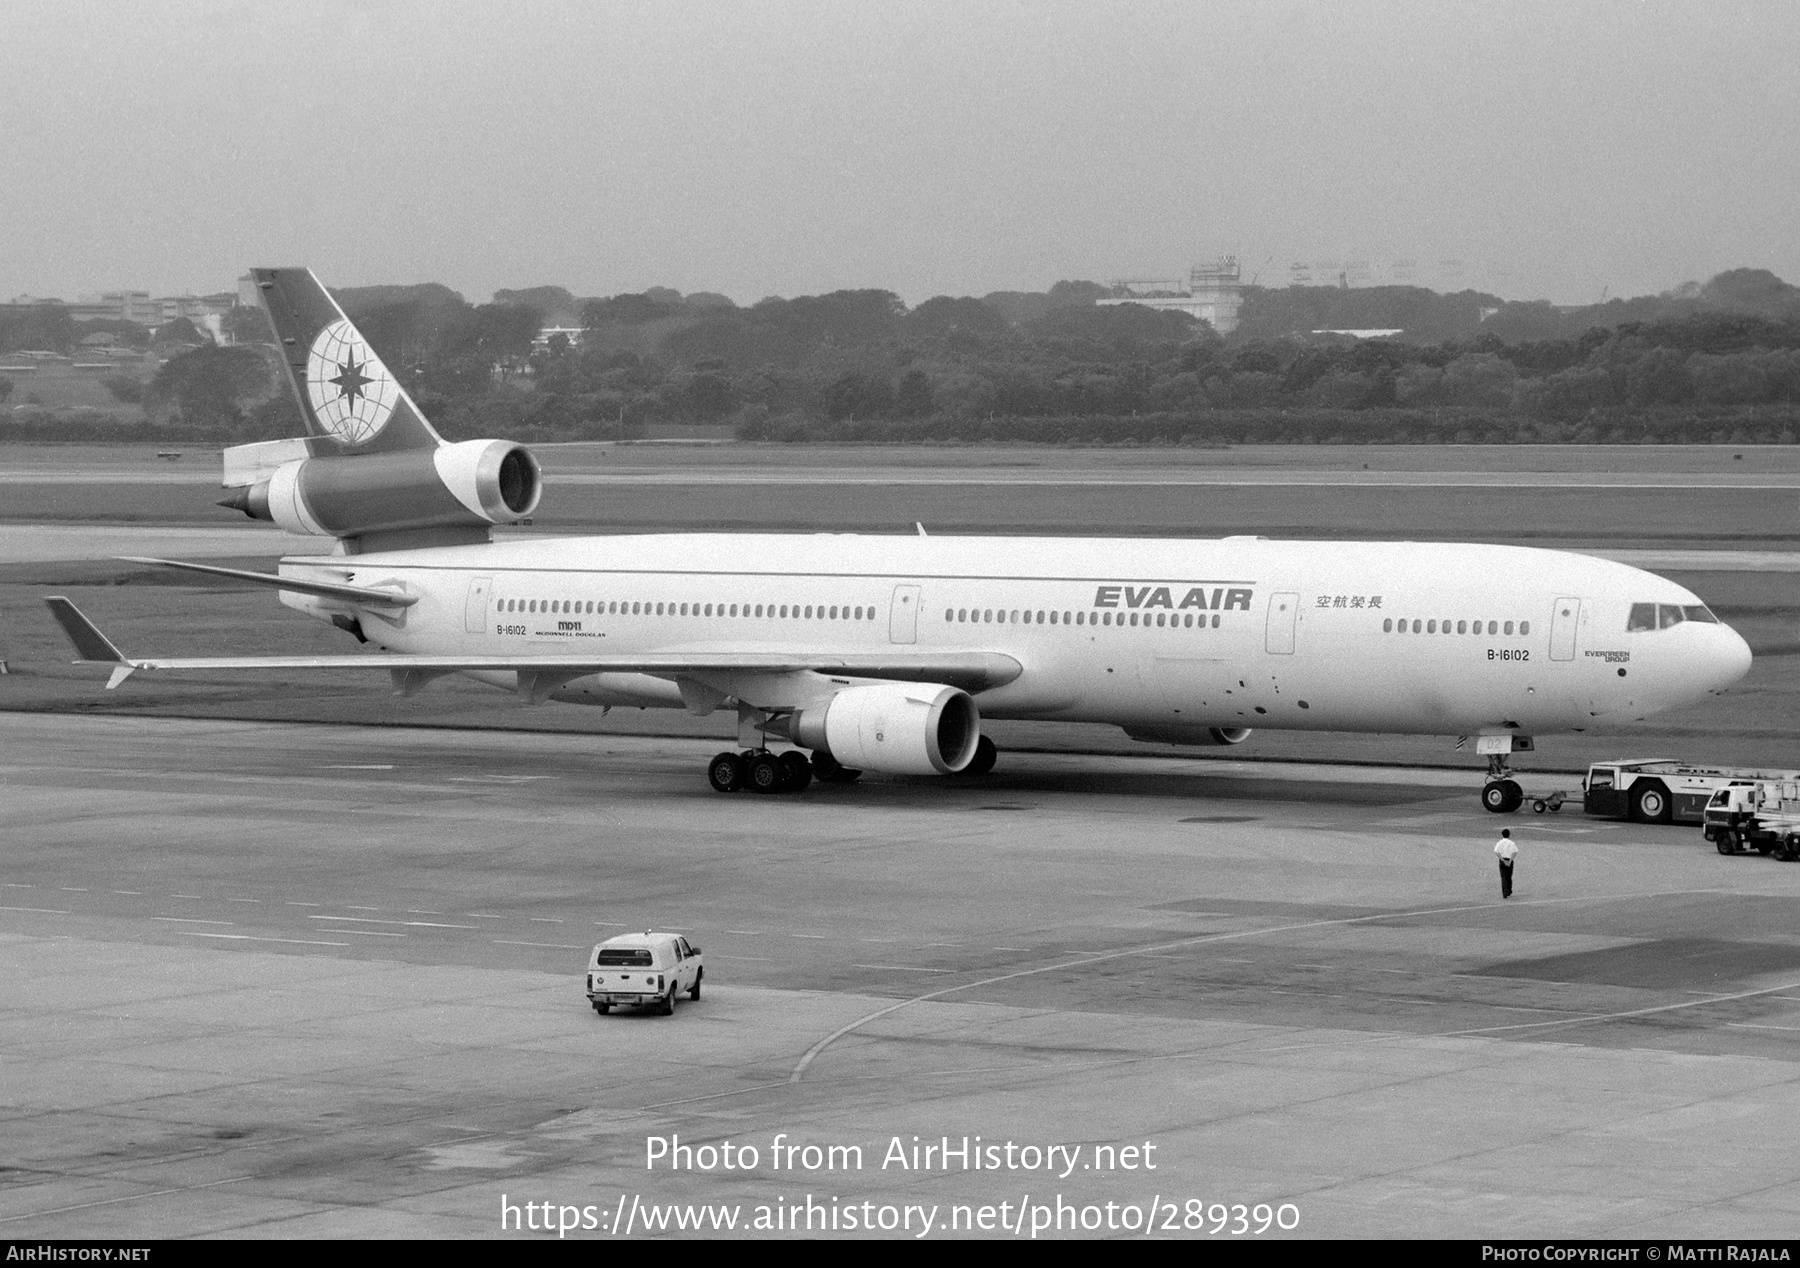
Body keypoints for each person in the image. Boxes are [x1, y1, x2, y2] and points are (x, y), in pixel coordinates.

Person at [1493, 829, 1519, 898]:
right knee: (1509, 876)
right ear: (1509, 835)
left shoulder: (1499, 843)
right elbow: (1515, 852)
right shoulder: (1512, 843)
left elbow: (1496, 852)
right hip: (1509, 859)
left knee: (1503, 877)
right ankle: (1509, 890)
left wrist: (1502, 860)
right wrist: (1510, 860)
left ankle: (1504, 892)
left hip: (1502, 860)